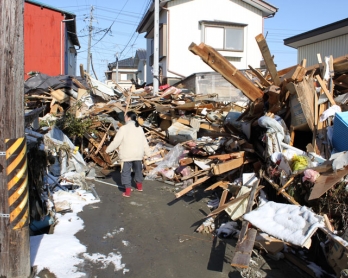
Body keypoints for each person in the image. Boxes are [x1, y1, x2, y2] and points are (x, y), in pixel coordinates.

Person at [106, 111, 151, 197]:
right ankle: (139, 187)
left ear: (129, 118)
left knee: (126, 172)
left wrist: (108, 150)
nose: (124, 118)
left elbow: (116, 142)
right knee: (138, 171)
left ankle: (127, 192)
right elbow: (144, 142)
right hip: (138, 154)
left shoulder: (123, 128)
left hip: (127, 155)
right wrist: (148, 153)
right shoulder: (139, 128)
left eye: (125, 117)